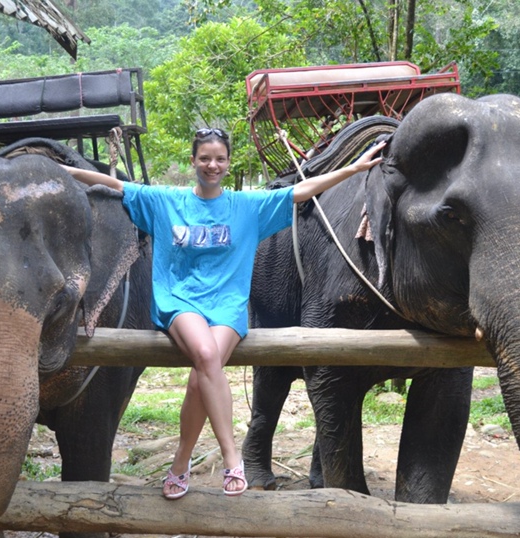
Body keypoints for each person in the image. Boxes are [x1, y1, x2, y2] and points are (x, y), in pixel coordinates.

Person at [61, 128, 385, 499]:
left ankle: (180, 464)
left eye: (219, 159)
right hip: (180, 301)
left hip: (228, 306)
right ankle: (234, 457)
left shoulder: (246, 207)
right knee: (206, 354)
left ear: (228, 164)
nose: (212, 165)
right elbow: (113, 185)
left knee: (203, 376)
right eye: (204, 158)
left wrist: (352, 168)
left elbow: (302, 191)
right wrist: (68, 173)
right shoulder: (166, 200)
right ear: (193, 161)